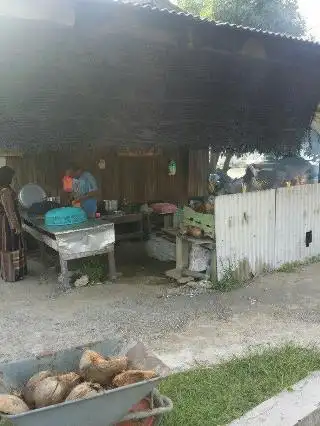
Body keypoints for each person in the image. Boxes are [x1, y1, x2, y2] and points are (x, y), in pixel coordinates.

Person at [0, 166, 27, 282]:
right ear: (7, 177)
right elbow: (10, 211)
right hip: (8, 223)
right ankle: (12, 274)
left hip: (5, 222)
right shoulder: (5, 191)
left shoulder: (4, 188)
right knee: (12, 246)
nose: (13, 179)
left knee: (8, 246)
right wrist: (15, 226)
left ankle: (11, 273)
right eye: (11, 177)